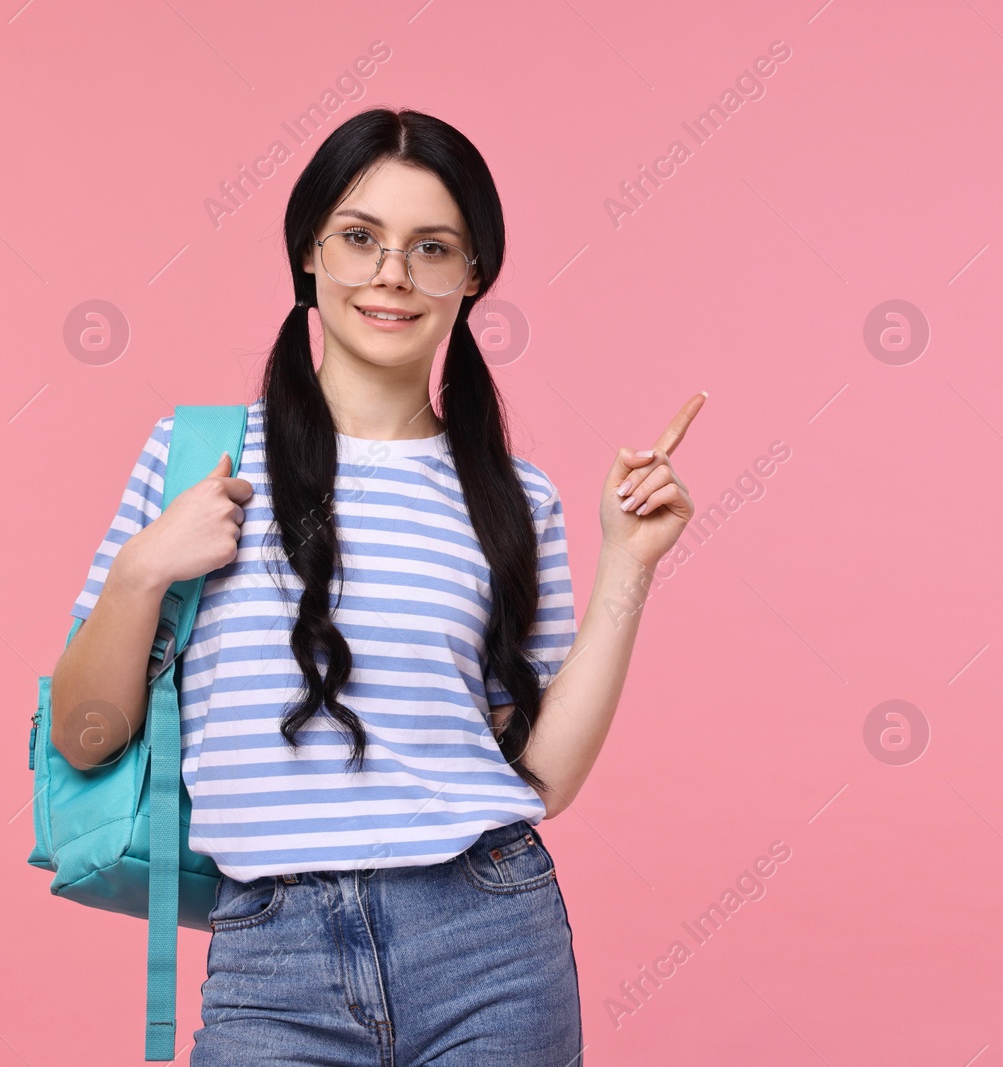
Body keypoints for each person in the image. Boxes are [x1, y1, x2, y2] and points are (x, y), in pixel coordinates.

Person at [48, 106, 704, 1066]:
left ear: (472, 276)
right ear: (309, 255)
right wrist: (146, 567)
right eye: (360, 239)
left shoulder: (514, 500)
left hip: (489, 941)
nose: (392, 274)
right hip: (271, 956)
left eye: (431, 247)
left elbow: (545, 778)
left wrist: (629, 567)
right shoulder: (197, 457)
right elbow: (84, 733)